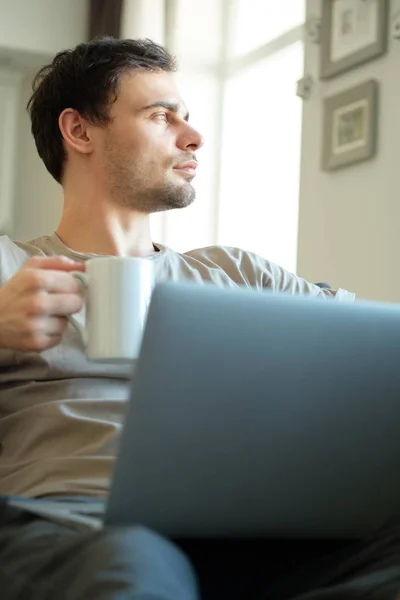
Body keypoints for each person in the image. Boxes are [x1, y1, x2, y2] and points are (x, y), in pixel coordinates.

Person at [0, 36, 398, 600]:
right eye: (161, 116)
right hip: (75, 527)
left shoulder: (240, 273)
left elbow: (377, 355)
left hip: (255, 530)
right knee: (136, 562)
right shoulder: (8, 267)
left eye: (186, 117)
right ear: (80, 131)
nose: (193, 137)